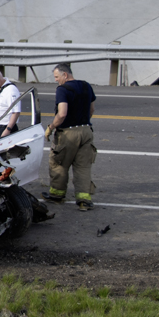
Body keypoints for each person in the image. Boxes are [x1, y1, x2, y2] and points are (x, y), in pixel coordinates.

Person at [43, 63, 97, 211]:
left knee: (59, 163)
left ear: (65, 75)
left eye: (56, 77)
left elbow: (62, 114)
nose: (56, 80)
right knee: (83, 166)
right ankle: (84, 200)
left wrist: (51, 127)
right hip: (86, 131)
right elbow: (91, 109)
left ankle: (57, 195)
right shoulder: (87, 86)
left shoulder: (62, 89)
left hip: (68, 133)